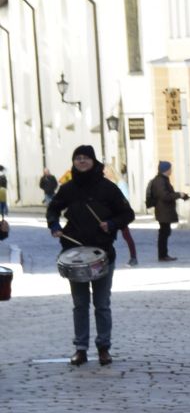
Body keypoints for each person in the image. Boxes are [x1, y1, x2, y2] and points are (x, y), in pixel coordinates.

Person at [46, 143, 132, 365]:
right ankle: (81, 349)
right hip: (74, 254)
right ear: (73, 162)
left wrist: (111, 224)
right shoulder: (68, 188)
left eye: (86, 157)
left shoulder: (108, 188)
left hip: (102, 253)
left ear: (93, 161)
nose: (82, 161)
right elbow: (53, 208)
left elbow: (127, 214)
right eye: (78, 158)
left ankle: (104, 347)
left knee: (102, 304)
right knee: (80, 304)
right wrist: (54, 225)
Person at [143, 161, 186, 262]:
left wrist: (179, 195)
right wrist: (178, 195)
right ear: (166, 170)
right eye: (170, 168)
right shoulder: (160, 181)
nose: (171, 170)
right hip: (163, 211)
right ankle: (163, 255)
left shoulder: (162, 179)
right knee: (164, 233)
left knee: (165, 233)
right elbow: (164, 196)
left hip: (164, 211)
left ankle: (163, 255)